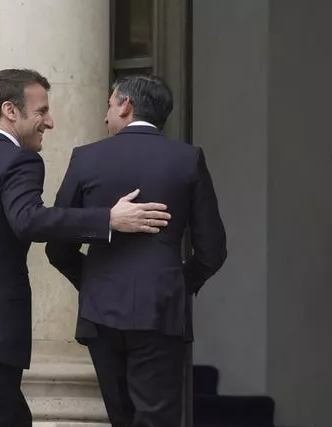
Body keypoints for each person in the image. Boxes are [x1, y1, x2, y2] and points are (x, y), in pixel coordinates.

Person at [0, 68, 173, 427]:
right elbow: (27, 219)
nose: (50, 121)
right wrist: (106, 218)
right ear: (10, 111)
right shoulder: (20, 160)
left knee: (10, 416)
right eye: (42, 110)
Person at [45, 74, 227, 427]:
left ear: (126, 105)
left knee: (120, 418)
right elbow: (212, 250)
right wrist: (176, 284)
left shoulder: (86, 158)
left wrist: (94, 281)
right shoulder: (187, 159)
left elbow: (58, 245)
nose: (105, 115)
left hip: (100, 311)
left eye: (109, 105)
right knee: (157, 418)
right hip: (161, 308)